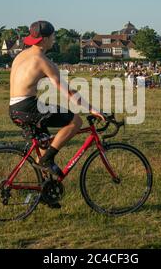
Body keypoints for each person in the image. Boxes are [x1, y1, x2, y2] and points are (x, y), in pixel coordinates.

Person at [9, 20, 104, 184]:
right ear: (45, 39)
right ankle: (47, 160)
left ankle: (46, 189)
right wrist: (91, 108)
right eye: (53, 36)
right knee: (76, 121)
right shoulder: (43, 61)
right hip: (28, 106)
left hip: (14, 107)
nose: (55, 39)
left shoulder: (21, 55)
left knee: (44, 146)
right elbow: (67, 91)